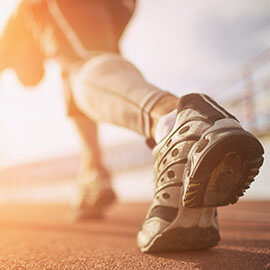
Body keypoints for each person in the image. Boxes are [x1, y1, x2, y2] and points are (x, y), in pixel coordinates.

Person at [0, 0, 264, 253]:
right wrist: (93, 167)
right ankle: (159, 188)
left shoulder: (25, 16)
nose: (24, 71)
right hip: (117, 8)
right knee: (83, 79)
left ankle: (179, 122)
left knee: (83, 68)